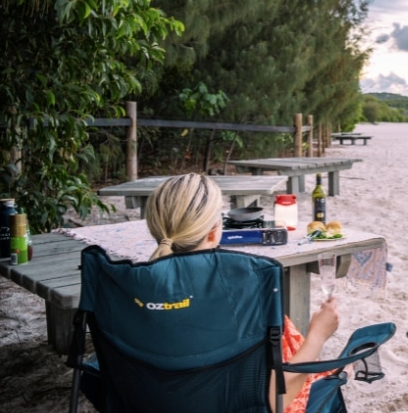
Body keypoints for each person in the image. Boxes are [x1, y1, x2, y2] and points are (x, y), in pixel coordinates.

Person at [144, 173, 339, 413]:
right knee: (333, 373)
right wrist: (318, 335)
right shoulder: (240, 300)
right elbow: (274, 401)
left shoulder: (129, 294)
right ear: (216, 232)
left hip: (163, 401)